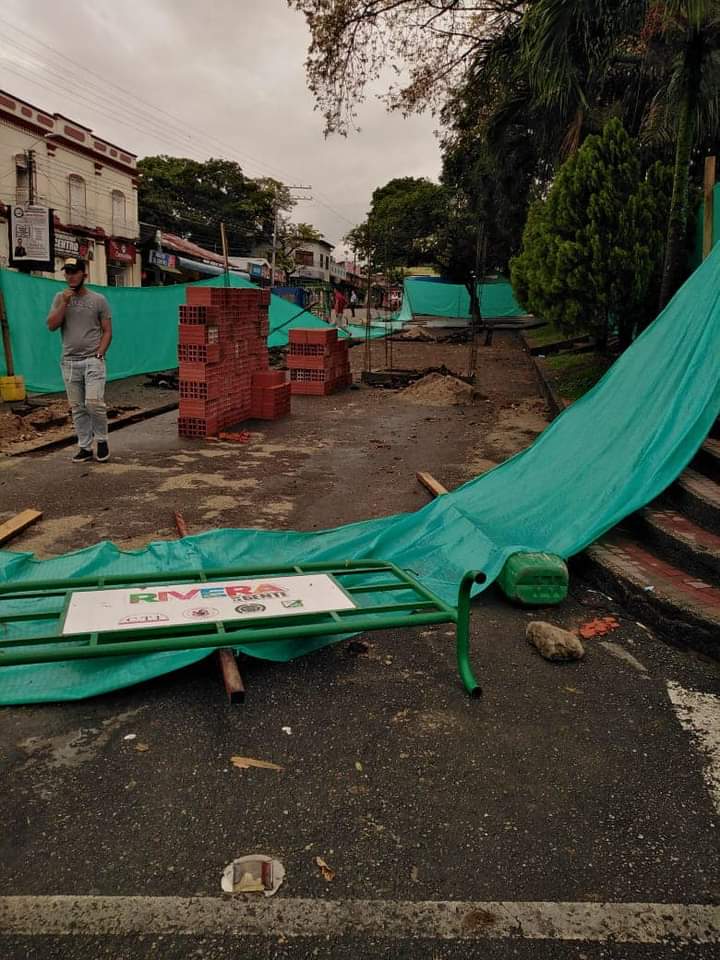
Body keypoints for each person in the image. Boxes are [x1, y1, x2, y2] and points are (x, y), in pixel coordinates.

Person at [47, 256, 112, 463]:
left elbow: (107, 330)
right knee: (78, 407)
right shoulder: (60, 297)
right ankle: (85, 447)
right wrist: (64, 304)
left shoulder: (98, 299)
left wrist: (100, 353)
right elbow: (51, 325)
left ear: (84, 274)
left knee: (94, 403)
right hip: (69, 362)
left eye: (74, 272)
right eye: (67, 272)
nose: (70, 276)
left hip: (93, 360)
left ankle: (101, 439)